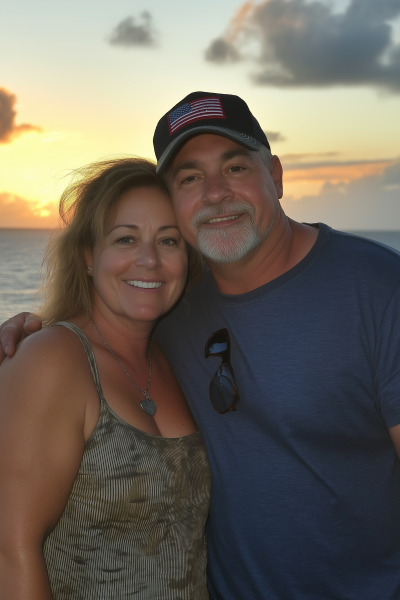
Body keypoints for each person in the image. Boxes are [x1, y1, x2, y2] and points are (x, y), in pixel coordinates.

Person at [2, 91, 400, 600]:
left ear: (275, 176)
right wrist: (37, 335)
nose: (214, 193)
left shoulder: (377, 288)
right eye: (189, 178)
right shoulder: (169, 315)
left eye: (235, 167)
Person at [0, 158, 210, 600]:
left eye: (168, 240)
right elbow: (11, 552)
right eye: (126, 239)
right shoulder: (54, 360)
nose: (149, 259)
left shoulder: (173, 356)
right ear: (89, 257)